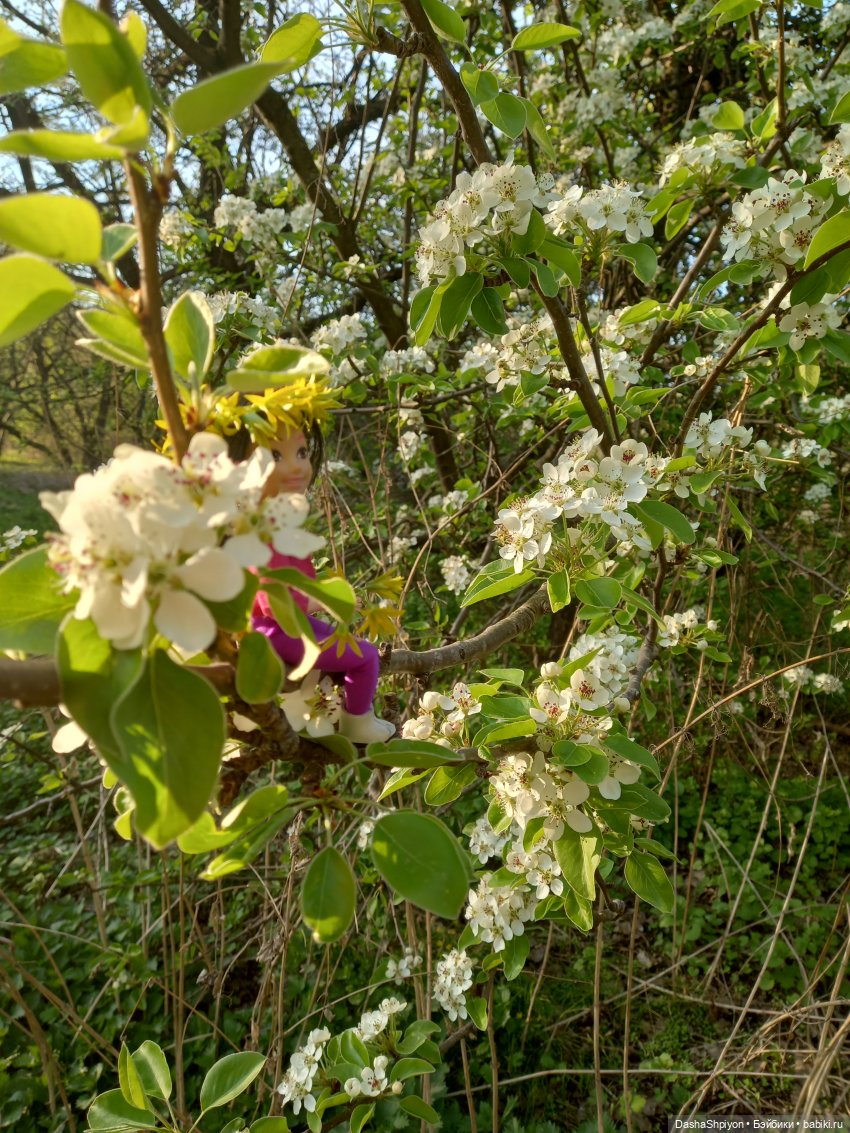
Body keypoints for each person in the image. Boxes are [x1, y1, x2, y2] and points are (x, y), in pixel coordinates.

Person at [250, 420, 396, 744]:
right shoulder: (266, 529)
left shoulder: (270, 522)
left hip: (279, 624)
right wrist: (325, 602)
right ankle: (357, 724)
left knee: (345, 644)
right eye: (275, 455)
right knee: (367, 657)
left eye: (300, 452)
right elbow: (277, 601)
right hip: (275, 629)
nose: (297, 465)